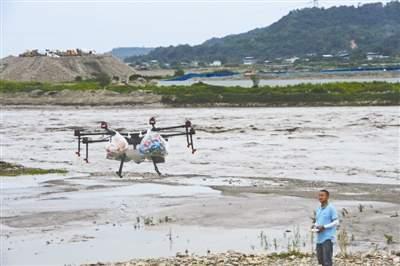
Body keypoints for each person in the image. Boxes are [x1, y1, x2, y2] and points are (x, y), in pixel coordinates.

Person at [313, 189, 339, 266]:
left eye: (322, 195)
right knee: (321, 260)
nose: (320, 197)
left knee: (327, 260)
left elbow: (336, 222)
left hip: (328, 237)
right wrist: (315, 225)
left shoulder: (331, 208)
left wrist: (324, 227)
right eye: (319, 195)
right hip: (319, 238)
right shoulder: (318, 209)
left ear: (327, 197)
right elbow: (318, 221)